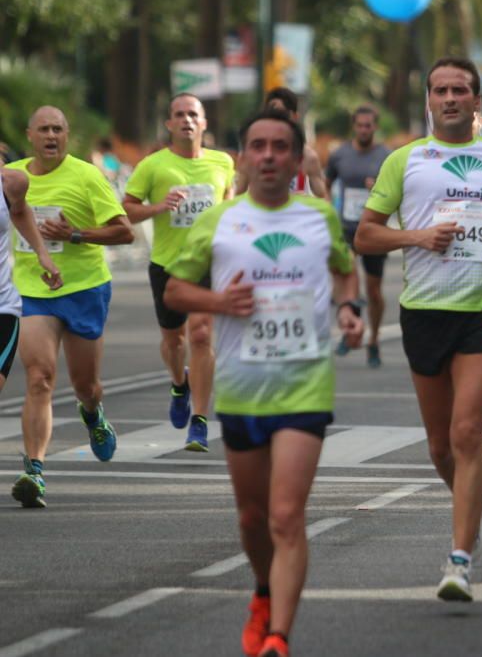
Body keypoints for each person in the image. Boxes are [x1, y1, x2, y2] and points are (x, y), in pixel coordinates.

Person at [164, 108, 362, 657]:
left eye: (280, 147)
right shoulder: (219, 222)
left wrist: (349, 307)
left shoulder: (318, 218)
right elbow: (176, 293)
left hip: (305, 386)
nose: (269, 156)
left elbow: (345, 268)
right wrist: (218, 301)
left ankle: (279, 635)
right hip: (243, 387)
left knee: (284, 515)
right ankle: (261, 589)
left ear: (297, 159)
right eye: (259, 146)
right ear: (244, 157)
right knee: (252, 518)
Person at [355, 57, 482, 601]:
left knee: (468, 433)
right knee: (440, 446)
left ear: (476, 101)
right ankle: (475, 494)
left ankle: (459, 559)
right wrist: (416, 237)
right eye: (440, 90)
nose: (450, 98)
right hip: (424, 311)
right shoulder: (405, 161)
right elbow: (366, 238)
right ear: (428, 101)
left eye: (459, 89)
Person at [8, 106, 135, 508]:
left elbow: (125, 232)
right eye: (43, 129)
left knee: (86, 386)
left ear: (67, 134)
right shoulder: (13, 178)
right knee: (39, 377)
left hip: (84, 289)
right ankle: (35, 472)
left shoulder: (86, 175)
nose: (51, 135)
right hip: (31, 290)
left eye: (58, 129)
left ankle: (93, 414)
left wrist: (75, 234)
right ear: (30, 135)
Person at [123, 93, 235, 451]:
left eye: (193, 114)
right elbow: (127, 210)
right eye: (179, 115)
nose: (186, 120)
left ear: (203, 123)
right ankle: (178, 383)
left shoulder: (222, 163)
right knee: (175, 341)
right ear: (169, 124)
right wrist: (159, 206)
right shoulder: (153, 166)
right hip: (167, 265)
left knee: (201, 336)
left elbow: (229, 203)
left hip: (207, 265)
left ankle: (200, 420)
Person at [4, 167, 63, 508]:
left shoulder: (11, 182)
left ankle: (34, 468)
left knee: (45, 378)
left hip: (2, 305)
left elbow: (20, 210)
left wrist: (43, 253)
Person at [325, 105, 392, 367]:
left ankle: (373, 340)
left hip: (374, 229)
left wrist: (379, 189)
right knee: (348, 283)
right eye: (360, 125)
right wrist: (329, 210)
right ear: (354, 126)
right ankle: (350, 327)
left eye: (369, 125)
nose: (364, 129)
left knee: (373, 290)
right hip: (346, 229)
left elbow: (397, 193)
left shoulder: (386, 156)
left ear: (375, 127)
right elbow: (326, 185)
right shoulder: (340, 154)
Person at [236, 87, 328, 200]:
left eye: (282, 114)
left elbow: (321, 195)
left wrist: (306, 198)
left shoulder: (308, 157)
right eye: (272, 113)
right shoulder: (251, 155)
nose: (277, 119)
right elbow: (239, 193)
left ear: (295, 117)